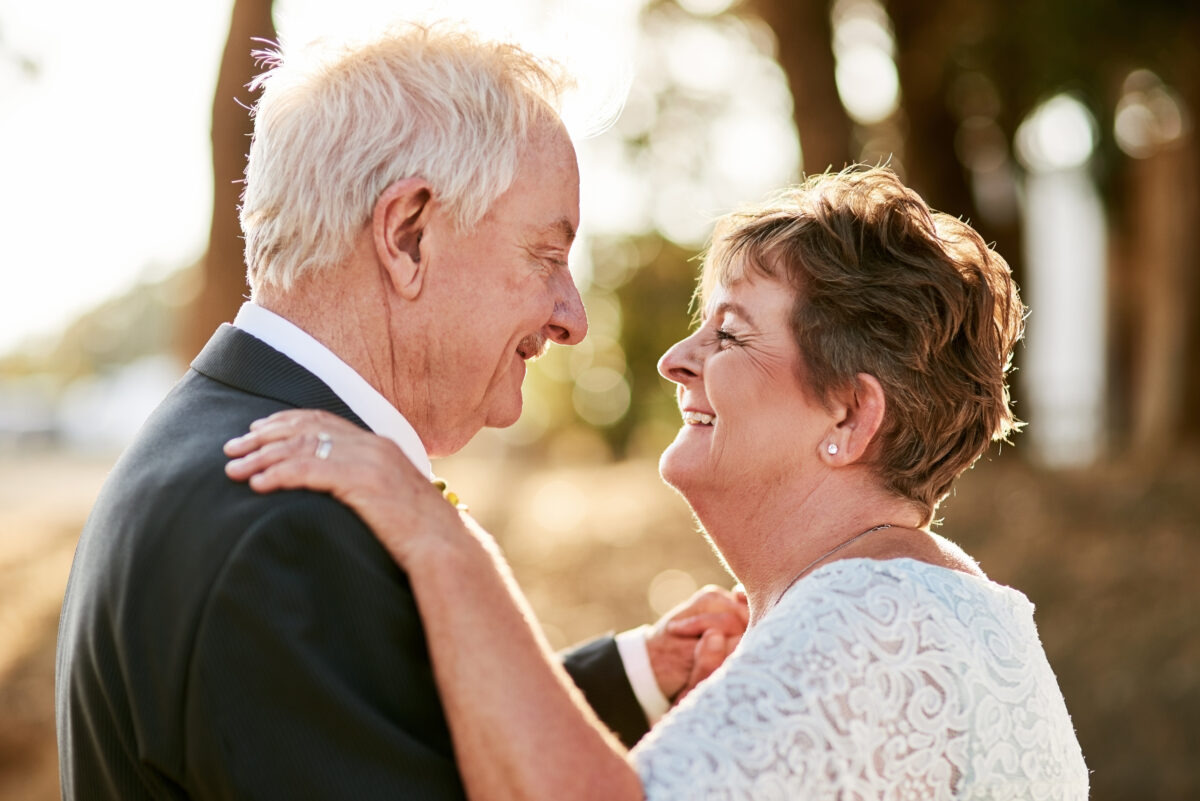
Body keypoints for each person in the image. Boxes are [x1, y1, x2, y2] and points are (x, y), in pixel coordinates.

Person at [226, 166, 1090, 799]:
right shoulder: (935, 610)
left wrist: (440, 538)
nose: (678, 361)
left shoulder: (876, 621)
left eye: (733, 335)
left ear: (850, 418)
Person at [55, 24, 745, 800]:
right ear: (408, 234)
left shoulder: (224, 442)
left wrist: (633, 673)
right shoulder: (286, 532)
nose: (571, 318)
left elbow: (371, 726)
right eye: (548, 256)